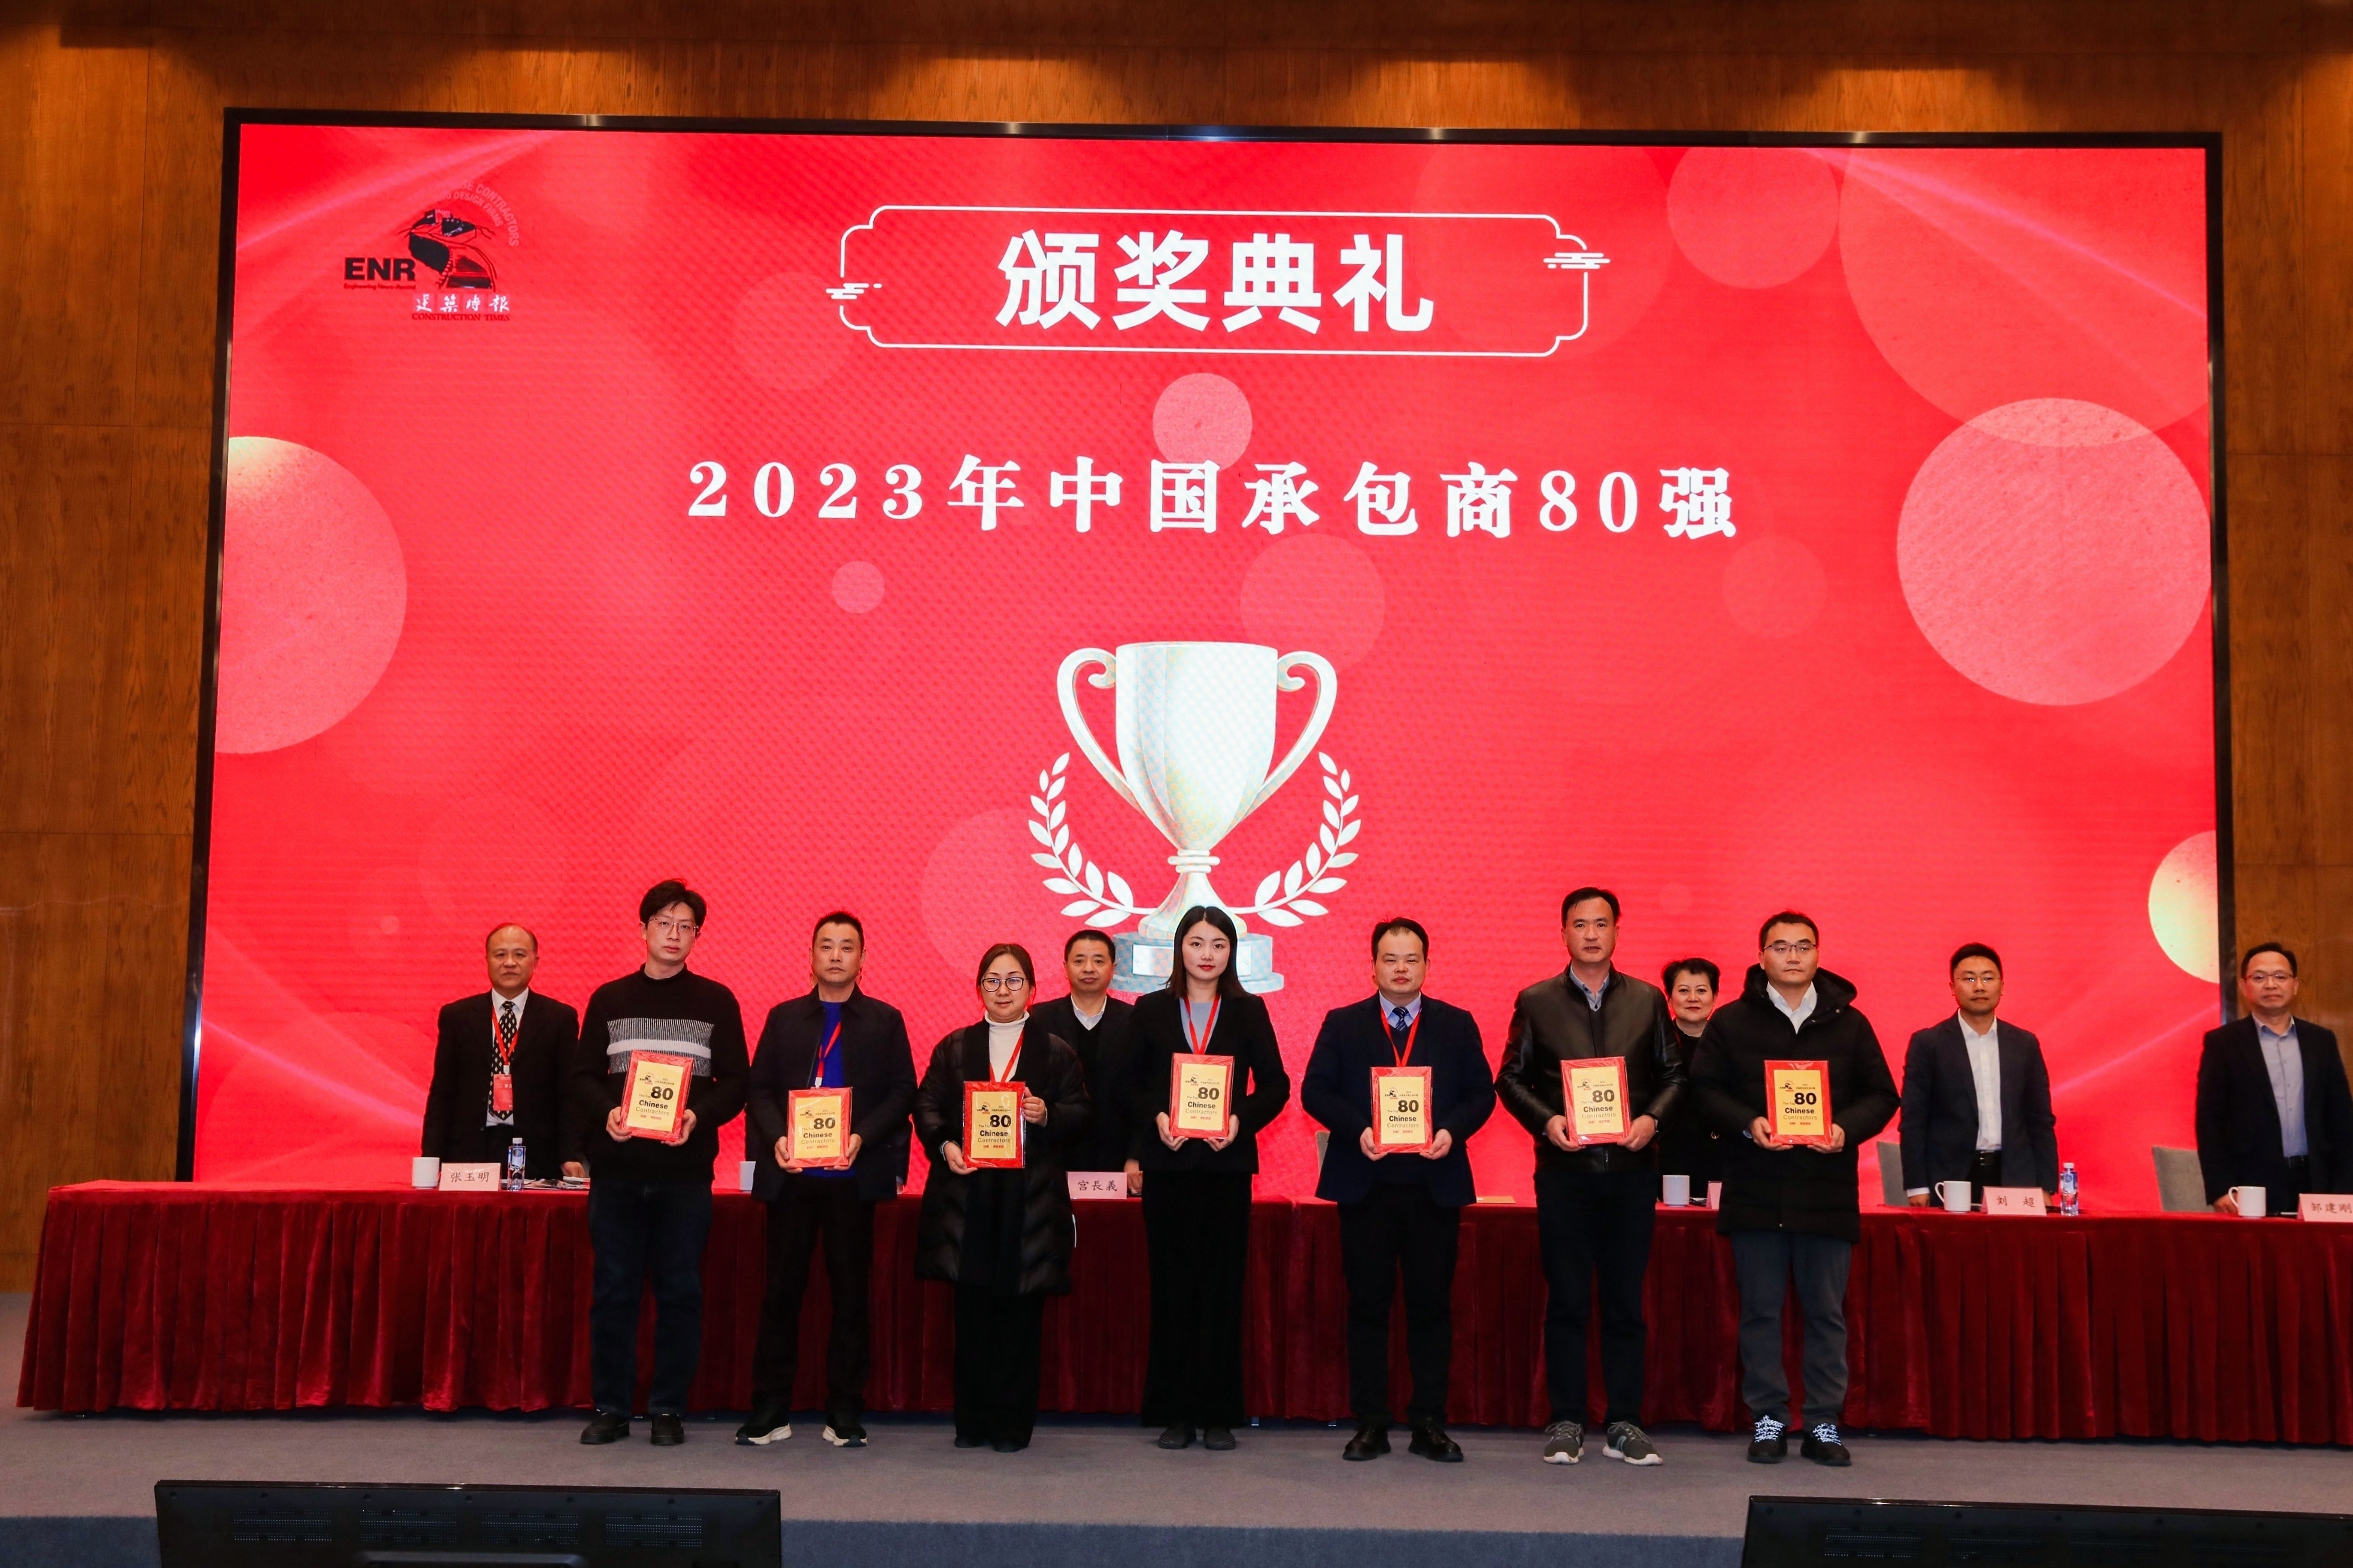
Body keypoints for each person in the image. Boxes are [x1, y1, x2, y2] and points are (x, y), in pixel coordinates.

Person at [1690, 911, 1897, 1469]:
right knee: (1760, 1313)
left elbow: (1882, 1095)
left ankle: (1824, 1420)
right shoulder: (1731, 1021)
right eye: (1780, 946)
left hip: (1825, 1191)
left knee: (1826, 1314)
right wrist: (1748, 1122)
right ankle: (1769, 1418)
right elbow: (1703, 1088)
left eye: (1803, 946)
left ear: (1818, 954)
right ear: (1761, 956)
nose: (1793, 955)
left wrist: (1845, 1129)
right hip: (1755, 1190)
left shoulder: (1851, 1023)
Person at [1496, 887, 1684, 1467]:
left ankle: (1625, 1422)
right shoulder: (1536, 1001)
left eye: (1602, 923)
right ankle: (1567, 1420)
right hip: (1566, 1176)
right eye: (1580, 924)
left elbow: (1676, 1076)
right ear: (1564, 933)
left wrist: (1652, 1121)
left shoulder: (1648, 1000)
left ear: (1617, 930)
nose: (1592, 934)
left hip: (1631, 1174)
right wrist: (1546, 1120)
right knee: (1568, 1302)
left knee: (1625, 1304)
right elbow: (1510, 1079)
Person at [1301, 917, 1493, 1463]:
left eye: (1412, 959)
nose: (1401, 968)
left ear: (1428, 964)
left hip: (1433, 1184)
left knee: (1431, 1307)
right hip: (1367, 1186)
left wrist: (1451, 1130)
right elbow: (1315, 1090)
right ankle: (1371, 1421)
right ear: (1373, 966)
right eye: (1390, 958)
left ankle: (1429, 1421)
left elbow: (1482, 1094)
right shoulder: (1344, 1023)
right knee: (1368, 1306)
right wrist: (1358, 1129)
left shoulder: (1457, 1023)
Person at [571, 879, 749, 1446]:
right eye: (664, 923)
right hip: (618, 1173)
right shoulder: (609, 999)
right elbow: (583, 1076)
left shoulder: (717, 1001)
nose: (674, 934)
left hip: (684, 1176)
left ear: (697, 935)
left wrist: (698, 1114)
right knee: (614, 1292)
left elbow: (737, 1082)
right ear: (644, 928)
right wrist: (607, 1114)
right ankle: (611, 1407)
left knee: (679, 1292)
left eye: (685, 926)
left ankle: (669, 1407)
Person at [738, 911, 916, 1450]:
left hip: (852, 1178)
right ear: (811, 955)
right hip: (792, 1177)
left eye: (847, 946)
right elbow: (759, 1089)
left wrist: (862, 1136)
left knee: (851, 1296)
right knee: (780, 1294)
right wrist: (777, 1138)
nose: (836, 955)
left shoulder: (885, 1020)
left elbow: (902, 1092)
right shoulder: (784, 1017)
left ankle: (845, 1410)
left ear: (863, 958)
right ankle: (771, 1407)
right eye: (826, 945)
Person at [912, 943, 1093, 1451]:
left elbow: (1082, 1111)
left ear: (1032, 989)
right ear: (979, 988)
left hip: (1029, 1200)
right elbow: (927, 1104)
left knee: (1020, 1318)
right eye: (992, 980)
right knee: (971, 1315)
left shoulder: (1055, 1050)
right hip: (968, 1194)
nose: (1003, 990)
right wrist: (945, 1145)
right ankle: (971, 1422)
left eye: (1014, 980)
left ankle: (1013, 1425)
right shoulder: (955, 1046)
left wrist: (1047, 1113)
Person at [1129, 905, 1291, 1452]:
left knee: (1222, 1292)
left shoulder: (1249, 1010)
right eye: (1196, 943)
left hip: (1225, 1169)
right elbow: (1128, 1085)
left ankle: (1219, 1412)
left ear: (1231, 952)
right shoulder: (1151, 1008)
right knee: (1173, 1290)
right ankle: (1175, 1412)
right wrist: (1157, 1117)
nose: (1207, 954)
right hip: (1169, 1167)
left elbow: (1276, 1084)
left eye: (1218, 944)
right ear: (1179, 948)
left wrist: (1240, 1120)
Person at [2196, 942, 2353, 1215]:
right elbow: (2210, 1121)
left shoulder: (2321, 1041)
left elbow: (2341, 1119)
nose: (2271, 985)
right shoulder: (2223, 1044)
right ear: (2244, 986)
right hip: (2250, 1184)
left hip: (2317, 1180)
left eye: (2280, 976)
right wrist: (2220, 1187)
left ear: (2295, 985)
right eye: (2259, 977)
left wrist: (2346, 1186)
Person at [1899, 944, 2058, 1208]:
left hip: (2015, 1176)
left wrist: (2046, 1185)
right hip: (1950, 1178)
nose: (1980, 987)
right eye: (1969, 979)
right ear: (1953, 987)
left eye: (1988, 978)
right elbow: (1914, 1121)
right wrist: (1917, 1185)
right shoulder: (1928, 1044)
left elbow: (2040, 1120)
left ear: (2002, 986)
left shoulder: (2025, 1044)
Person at [421, 923, 578, 1179]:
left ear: (536, 962)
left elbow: (568, 1095)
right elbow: (442, 1092)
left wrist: (570, 1153)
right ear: (487, 961)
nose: (510, 963)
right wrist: (431, 1157)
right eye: (500, 954)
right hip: (468, 1152)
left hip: (536, 1153)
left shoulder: (559, 1019)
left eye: (519, 954)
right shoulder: (457, 1017)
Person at [1028, 930, 1136, 1179]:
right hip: (1053, 1155)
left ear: (1113, 969)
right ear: (1065, 968)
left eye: (1099, 961)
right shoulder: (1039, 1019)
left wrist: (1136, 1156)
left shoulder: (1135, 1021)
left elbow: (1145, 1093)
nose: (1089, 968)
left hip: (1117, 1156)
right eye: (1079, 961)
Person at [1651, 958, 1723, 1198]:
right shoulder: (1654, 1046)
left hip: (1718, 1159)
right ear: (1669, 998)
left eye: (1701, 991)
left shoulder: (1730, 1045)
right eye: (1684, 991)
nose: (1693, 998)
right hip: (1667, 1157)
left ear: (1715, 996)